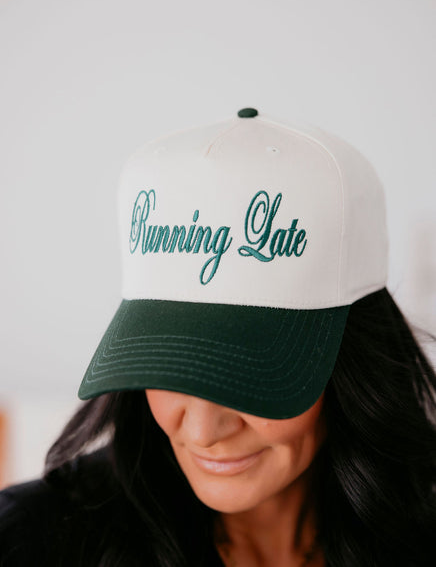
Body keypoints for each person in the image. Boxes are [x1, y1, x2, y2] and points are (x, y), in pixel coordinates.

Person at [0, 108, 435, 567]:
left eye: (251, 369)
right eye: (168, 364)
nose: (203, 432)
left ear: (354, 363)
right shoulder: (29, 543)